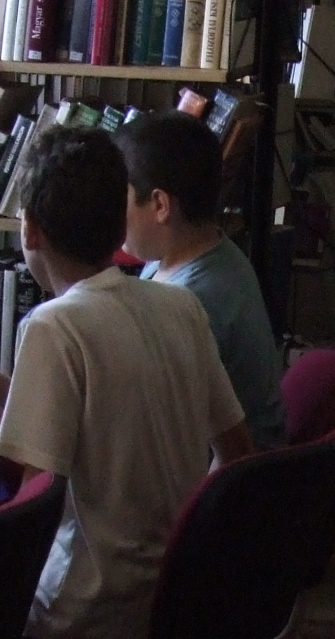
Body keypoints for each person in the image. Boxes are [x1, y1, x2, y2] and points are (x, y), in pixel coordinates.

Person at [0, 124, 252, 639]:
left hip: (89, 616)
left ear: (31, 230)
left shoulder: (52, 325)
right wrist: (19, 402)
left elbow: (32, 510)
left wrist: (4, 433)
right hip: (177, 600)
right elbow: (236, 453)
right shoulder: (180, 306)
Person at [115, 114, 286, 449]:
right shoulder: (203, 251)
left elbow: (150, 430)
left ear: (160, 205)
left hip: (228, 473)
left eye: (120, 196)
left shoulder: (191, 300)